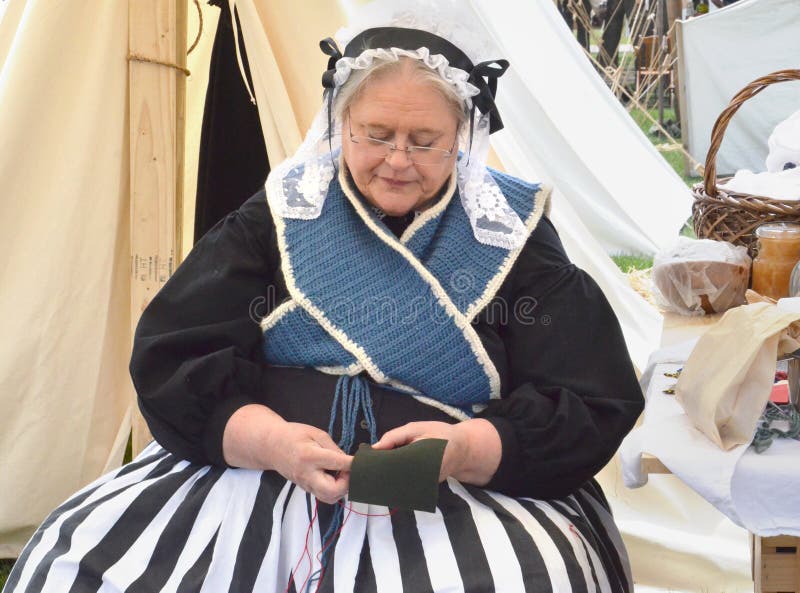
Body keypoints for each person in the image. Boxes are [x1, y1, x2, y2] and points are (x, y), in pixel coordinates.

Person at [3, 5, 644, 592]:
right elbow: (178, 352)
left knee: (519, 577)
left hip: (454, 478)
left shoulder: (508, 230)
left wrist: (469, 449)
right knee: (89, 561)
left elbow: (586, 391)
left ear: (463, 135)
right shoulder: (282, 213)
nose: (397, 159)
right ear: (341, 124)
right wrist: (269, 442)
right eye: (374, 133)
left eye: (424, 140)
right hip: (266, 460)